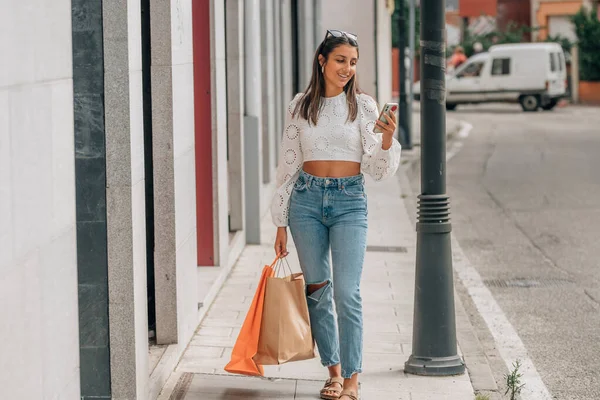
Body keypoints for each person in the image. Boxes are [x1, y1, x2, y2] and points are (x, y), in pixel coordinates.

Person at [271, 29, 401, 400]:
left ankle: (353, 379)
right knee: (318, 290)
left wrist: (388, 140)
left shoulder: (364, 107)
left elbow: (377, 168)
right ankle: (333, 372)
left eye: (353, 62)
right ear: (322, 60)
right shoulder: (300, 106)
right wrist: (280, 221)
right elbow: (288, 166)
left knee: (347, 292)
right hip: (306, 202)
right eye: (341, 60)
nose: (347, 68)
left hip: (349, 202)